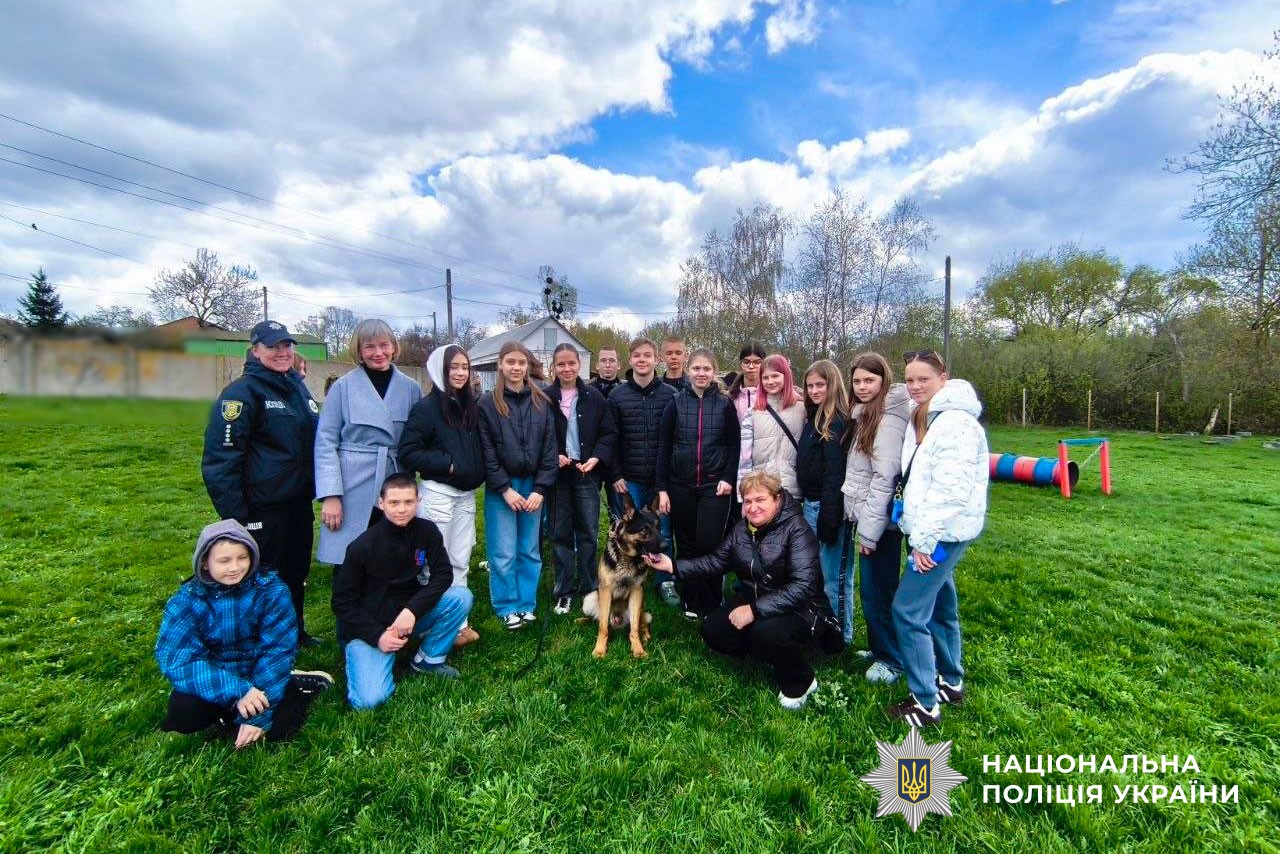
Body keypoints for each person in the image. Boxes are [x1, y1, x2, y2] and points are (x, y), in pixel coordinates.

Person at [645, 471, 840, 709]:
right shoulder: (742, 529)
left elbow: (802, 587)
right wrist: (672, 565)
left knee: (765, 631)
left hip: (802, 609)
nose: (753, 507)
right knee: (713, 630)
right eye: (748, 501)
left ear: (777, 499)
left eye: (761, 500)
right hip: (757, 599)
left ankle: (802, 680)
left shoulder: (797, 529)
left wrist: (754, 610)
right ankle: (772, 655)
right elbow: (716, 562)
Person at [155, 519, 333, 748]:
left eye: (243, 558)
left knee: (282, 729)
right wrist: (238, 691)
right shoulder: (186, 600)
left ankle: (293, 685)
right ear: (205, 563)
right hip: (219, 676)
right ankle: (230, 710)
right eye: (224, 560)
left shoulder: (273, 590)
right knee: (183, 716)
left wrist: (258, 713)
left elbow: (278, 649)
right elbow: (176, 657)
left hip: (260, 672)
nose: (235, 567)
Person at [886, 350, 989, 727]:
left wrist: (925, 542)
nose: (914, 387)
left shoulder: (956, 424)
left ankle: (925, 702)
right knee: (942, 603)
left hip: (941, 534)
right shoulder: (932, 416)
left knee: (908, 611)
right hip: (931, 530)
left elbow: (950, 490)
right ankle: (951, 680)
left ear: (943, 378)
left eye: (923, 379)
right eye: (910, 380)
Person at [202, 320, 320, 647]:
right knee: (261, 574)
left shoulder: (296, 388)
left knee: (295, 572)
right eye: (272, 347)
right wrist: (236, 515)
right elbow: (221, 459)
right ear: (255, 350)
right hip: (261, 507)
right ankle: (258, 640)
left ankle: (294, 632)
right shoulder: (241, 394)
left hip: (297, 502)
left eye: (286, 346)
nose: (281, 352)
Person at [331, 473, 474, 709]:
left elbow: (443, 575)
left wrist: (412, 610)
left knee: (461, 597)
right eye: (394, 503)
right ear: (381, 503)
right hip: (371, 627)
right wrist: (378, 636)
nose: (402, 509)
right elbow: (342, 603)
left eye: (408, 502)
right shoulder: (361, 547)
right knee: (369, 701)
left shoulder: (427, 531)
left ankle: (428, 661)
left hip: (407, 618)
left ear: (418, 501)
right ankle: (364, 655)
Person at [315, 320, 422, 577]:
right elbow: (325, 442)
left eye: (384, 345)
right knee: (350, 555)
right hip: (353, 482)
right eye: (369, 346)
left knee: (394, 552)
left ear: (394, 347)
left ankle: (391, 608)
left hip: (395, 479)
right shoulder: (343, 387)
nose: (378, 353)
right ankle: (348, 612)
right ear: (359, 350)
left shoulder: (411, 388)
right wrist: (331, 495)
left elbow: (419, 437)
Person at [399, 343, 486, 648]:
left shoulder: (469, 405)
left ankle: (459, 623)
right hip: (438, 496)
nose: (460, 373)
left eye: (465, 367)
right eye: (454, 367)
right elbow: (409, 452)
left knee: (460, 559)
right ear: (440, 369)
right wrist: (446, 464)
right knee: (431, 564)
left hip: (465, 496)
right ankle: (428, 623)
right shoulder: (426, 409)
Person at [477, 340, 558, 630]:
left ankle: (526, 603)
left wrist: (540, 489)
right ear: (500, 364)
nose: (516, 367)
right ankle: (506, 605)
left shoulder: (541, 401)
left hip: (533, 485)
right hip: (503, 488)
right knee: (503, 551)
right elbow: (486, 452)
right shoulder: (487, 404)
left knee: (529, 549)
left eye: (521, 362)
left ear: (527, 366)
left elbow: (550, 450)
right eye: (510, 362)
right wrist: (504, 488)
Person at [841, 353, 910, 684]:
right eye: (857, 381)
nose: (862, 386)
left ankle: (891, 660)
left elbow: (885, 478)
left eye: (870, 380)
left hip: (880, 524)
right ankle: (879, 645)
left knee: (878, 590)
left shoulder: (888, 420)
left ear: (883, 380)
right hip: (868, 518)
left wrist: (869, 532)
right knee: (871, 589)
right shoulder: (868, 415)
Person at [655, 348, 739, 619]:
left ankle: (712, 602)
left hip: (715, 487)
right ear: (688, 371)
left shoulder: (725, 405)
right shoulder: (676, 403)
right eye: (696, 369)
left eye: (706, 369)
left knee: (710, 545)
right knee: (687, 545)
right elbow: (664, 447)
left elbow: (734, 445)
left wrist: (728, 478)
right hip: (681, 486)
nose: (701, 373)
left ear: (714, 372)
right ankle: (691, 601)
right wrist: (662, 489)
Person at [606, 336, 677, 604]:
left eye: (647, 355)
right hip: (630, 479)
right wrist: (615, 474)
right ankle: (628, 578)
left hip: (661, 481)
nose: (642, 360)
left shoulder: (670, 395)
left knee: (662, 530)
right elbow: (610, 438)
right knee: (630, 532)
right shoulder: (618, 396)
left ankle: (665, 581)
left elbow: (673, 439)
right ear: (630, 359)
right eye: (637, 356)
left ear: (655, 359)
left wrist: (665, 482)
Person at [546, 344, 616, 614]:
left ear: (580, 365)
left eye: (571, 363)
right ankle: (564, 590)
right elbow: (538, 433)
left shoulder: (594, 397)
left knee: (588, 532)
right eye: (561, 364)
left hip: (587, 473)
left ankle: (588, 588)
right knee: (560, 533)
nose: (566, 369)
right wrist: (553, 454)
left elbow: (608, 433)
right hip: (558, 475)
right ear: (554, 367)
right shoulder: (544, 397)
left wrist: (596, 457)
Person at [796, 359, 852, 645]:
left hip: (827, 508)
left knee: (835, 578)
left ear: (833, 385)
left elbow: (834, 474)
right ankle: (823, 628)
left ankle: (841, 635)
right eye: (810, 385)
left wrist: (830, 518)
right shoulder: (813, 416)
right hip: (810, 504)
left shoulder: (837, 421)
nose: (815, 390)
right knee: (816, 573)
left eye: (821, 385)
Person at [739, 354, 805, 499]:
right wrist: (742, 496)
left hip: (793, 490)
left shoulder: (803, 409)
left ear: (785, 376)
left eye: (775, 376)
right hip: (761, 490)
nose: (770, 381)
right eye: (765, 377)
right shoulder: (753, 412)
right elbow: (744, 457)